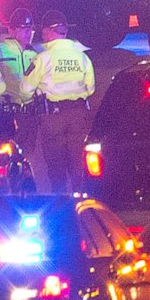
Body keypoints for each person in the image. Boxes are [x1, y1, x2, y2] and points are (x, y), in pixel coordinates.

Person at [28, 12, 96, 192]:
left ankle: (61, 206)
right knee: (77, 162)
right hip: (78, 115)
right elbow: (91, 88)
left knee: (55, 165)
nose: (42, 34)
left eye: (43, 30)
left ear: (50, 32)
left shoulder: (42, 59)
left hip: (53, 117)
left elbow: (25, 88)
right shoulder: (82, 57)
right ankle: (80, 200)